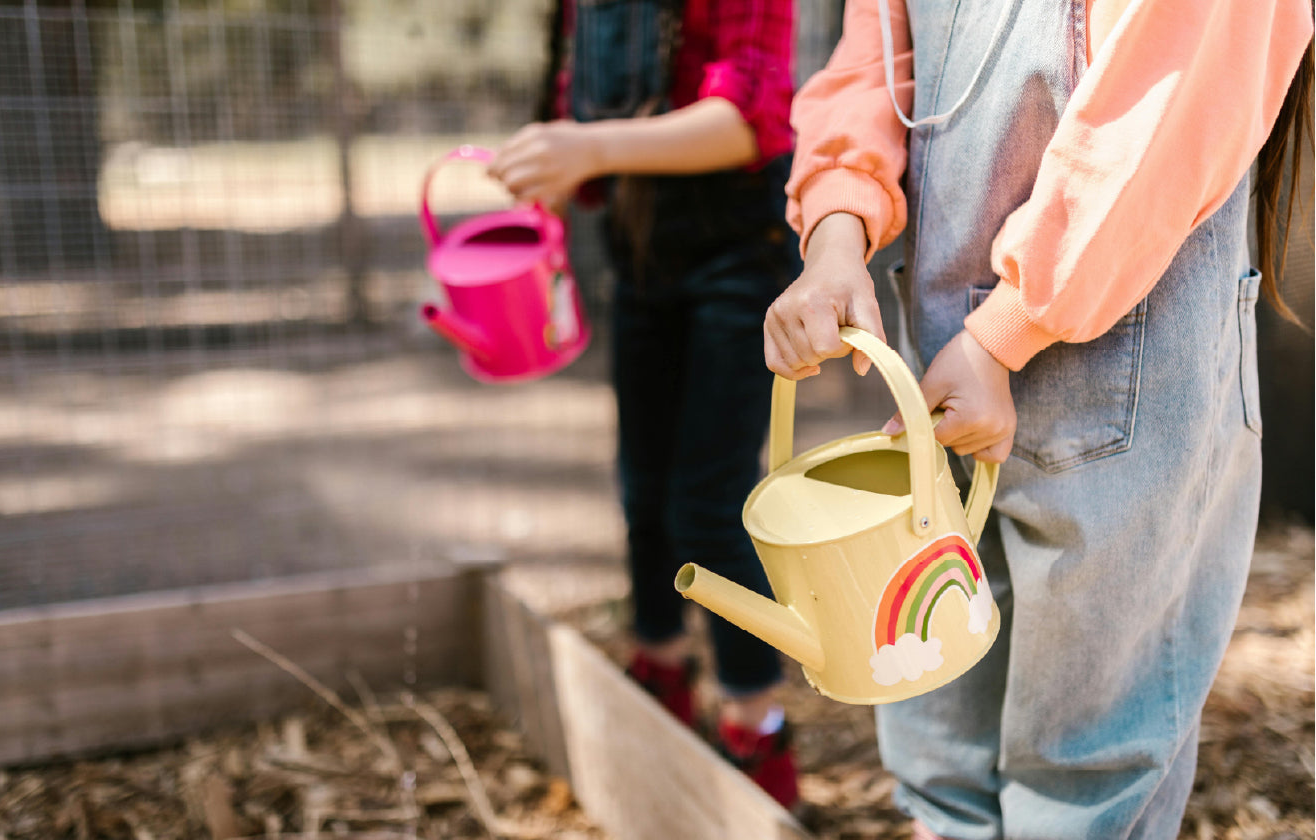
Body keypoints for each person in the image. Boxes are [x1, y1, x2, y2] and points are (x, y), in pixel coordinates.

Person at [763, 0, 1313, 838]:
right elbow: (871, 61)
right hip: (948, 370)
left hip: (1115, 374)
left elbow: (1165, 114)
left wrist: (1002, 335)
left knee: (1085, 772)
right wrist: (835, 238)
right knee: (938, 734)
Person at [488, 0, 804, 808]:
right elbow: (580, 102)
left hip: (738, 252)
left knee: (710, 501)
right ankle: (656, 678)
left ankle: (754, 729)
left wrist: (586, 146)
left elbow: (748, 118)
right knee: (644, 490)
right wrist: (549, 166)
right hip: (639, 250)